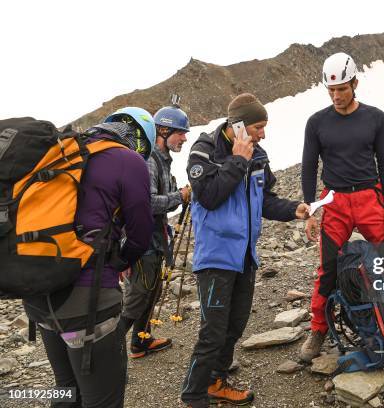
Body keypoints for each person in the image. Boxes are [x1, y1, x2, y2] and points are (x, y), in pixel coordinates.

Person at [181, 93, 310, 408]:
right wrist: (237, 160)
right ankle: (193, 394)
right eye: (258, 127)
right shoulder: (203, 152)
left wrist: (294, 209)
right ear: (238, 125)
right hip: (215, 258)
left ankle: (216, 380)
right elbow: (209, 196)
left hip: (245, 256)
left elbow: (264, 199)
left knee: (235, 325)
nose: (262, 134)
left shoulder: (259, 155)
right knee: (213, 331)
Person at [22, 107, 155, 407]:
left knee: (65, 390)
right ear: (139, 141)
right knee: (102, 400)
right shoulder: (127, 160)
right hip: (88, 301)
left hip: (39, 294)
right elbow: (140, 234)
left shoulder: (62, 154)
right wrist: (119, 261)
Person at [299, 52, 384, 363]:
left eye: (342, 89)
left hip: (370, 198)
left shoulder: (374, 117)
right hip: (335, 202)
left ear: (355, 83)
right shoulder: (316, 123)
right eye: (331, 90)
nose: (337, 96)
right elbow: (309, 167)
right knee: (327, 269)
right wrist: (311, 209)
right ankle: (318, 328)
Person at [121, 104, 191, 359]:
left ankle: (141, 341)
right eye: (180, 132)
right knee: (139, 294)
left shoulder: (162, 160)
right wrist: (179, 196)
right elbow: (146, 202)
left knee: (152, 291)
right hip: (143, 241)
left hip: (154, 239)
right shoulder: (150, 160)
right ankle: (107, 352)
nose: (184, 138)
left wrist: (177, 195)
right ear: (162, 130)